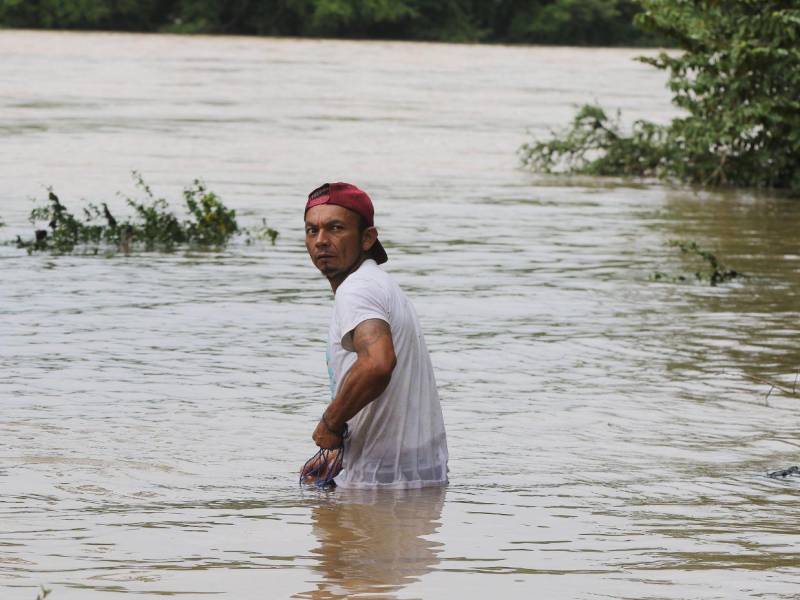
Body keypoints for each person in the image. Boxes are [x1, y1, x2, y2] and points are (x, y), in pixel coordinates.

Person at [302, 182, 448, 488]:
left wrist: (330, 422)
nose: (321, 241)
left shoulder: (358, 289)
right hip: (417, 481)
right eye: (312, 230)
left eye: (335, 228)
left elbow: (377, 364)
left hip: (379, 487)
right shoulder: (379, 284)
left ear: (367, 237)